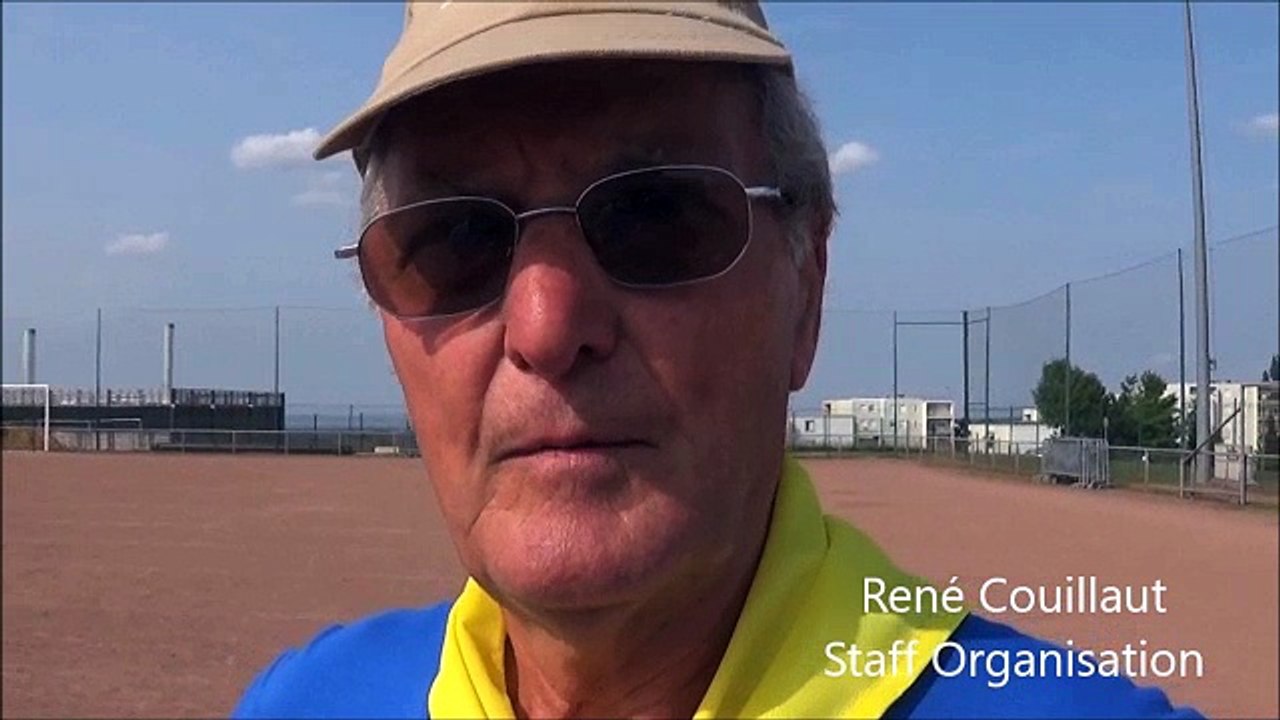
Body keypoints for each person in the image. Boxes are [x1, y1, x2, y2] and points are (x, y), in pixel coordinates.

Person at [235, 3, 1202, 717]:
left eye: (655, 216)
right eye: (451, 240)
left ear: (807, 291)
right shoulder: (307, 701)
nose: (544, 325)